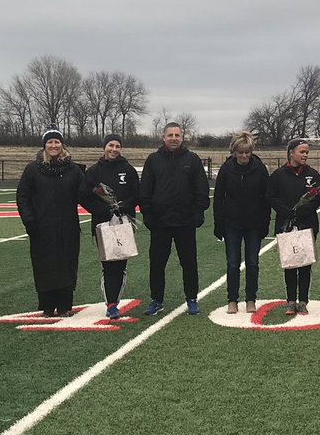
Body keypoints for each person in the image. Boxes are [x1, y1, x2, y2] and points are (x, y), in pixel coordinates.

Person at [138, 121, 210, 316]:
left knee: (189, 262)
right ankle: (157, 300)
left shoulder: (192, 159)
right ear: (163, 137)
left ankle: (192, 298)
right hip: (160, 223)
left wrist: (197, 213)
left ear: (182, 137)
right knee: (157, 263)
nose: (174, 139)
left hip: (185, 222)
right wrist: (148, 215)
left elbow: (201, 190)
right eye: (170, 135)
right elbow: (144, 190)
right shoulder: (153, 160)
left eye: (177, 135)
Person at [16, 129, 90, 317]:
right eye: (50, 142)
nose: (54, 146)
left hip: (68, 228)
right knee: (44, 265)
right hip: (41, 228)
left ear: (62, 144)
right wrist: (29, 221)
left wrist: (105, 207)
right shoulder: (32, 170)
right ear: (44, 145)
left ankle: (65, 305)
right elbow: (22, 197)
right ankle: (47, 306)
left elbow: (85, 196)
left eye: (57, 142)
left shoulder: (73, 170)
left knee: (67, 265)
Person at [83, 134, 141, 320]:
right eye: (110, 145)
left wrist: (124, 206)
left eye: (117, 146)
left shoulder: (128, 170)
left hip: (124, 223)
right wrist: (103, 209)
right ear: (104, 147)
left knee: (121, 265)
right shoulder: (93, 171)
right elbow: (84, 196)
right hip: (103, 224)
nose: (114, 149)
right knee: (108, 265)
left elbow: (137, 194)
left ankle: (116, 299)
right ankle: (111, 304)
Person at [213, 131, 271, 314]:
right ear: (234, 152)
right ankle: (232, 299)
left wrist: (265, 223)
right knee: (232, 263)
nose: (244, 156)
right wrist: (218, 223)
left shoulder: (260, 169)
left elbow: (266, 198)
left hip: (254, 224)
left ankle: (251, 298)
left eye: (247, 152)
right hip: (232, 224)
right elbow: (218, 198)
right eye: (240, 152)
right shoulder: (226, 170)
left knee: (253, 262)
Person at [268, 138, 320, 315]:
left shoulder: (313, 174)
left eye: (307, 152)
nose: (305, 155)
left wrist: (301, 212)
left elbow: (318, 198)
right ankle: (291, 301)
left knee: (305, 265)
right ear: (291, 152)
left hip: (307, 225)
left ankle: (303, 301)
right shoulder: (278, 175)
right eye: (302, 151)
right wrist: (286, 212)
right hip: (285, 226)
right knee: (290, 264)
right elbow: (272, 197)